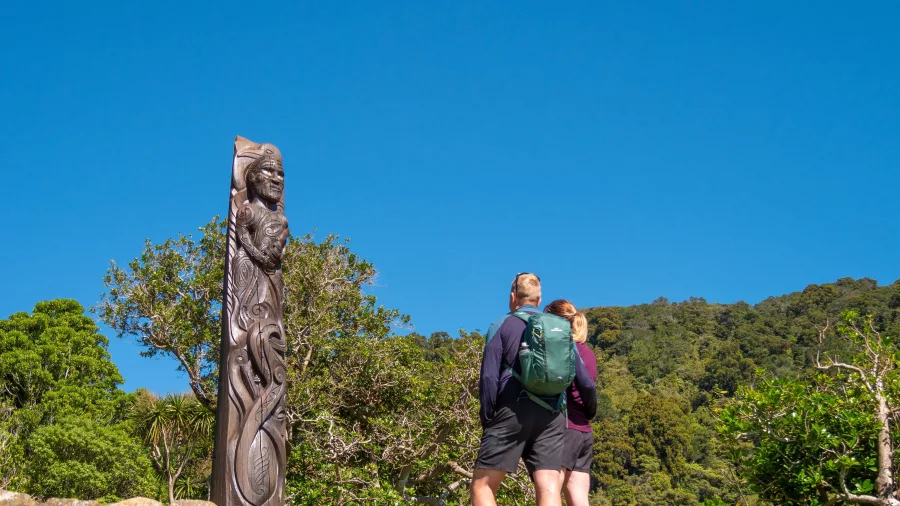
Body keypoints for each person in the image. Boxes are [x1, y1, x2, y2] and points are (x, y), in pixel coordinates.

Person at [471, 274, 597, 506]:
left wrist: (488, 417)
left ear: (512, 297)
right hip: (553, 415)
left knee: (484, 485)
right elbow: (582, 378)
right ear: (539, 301)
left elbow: (489, 376)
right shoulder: (560, 328)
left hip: (512, 410)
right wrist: (589, 410)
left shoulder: (501, 324)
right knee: (549, 487)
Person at [544, 300, 598, 506]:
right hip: (584, 431)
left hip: (565, 427)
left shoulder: (564, 350)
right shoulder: (588, 352)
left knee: (551, 489)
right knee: (579, 497)